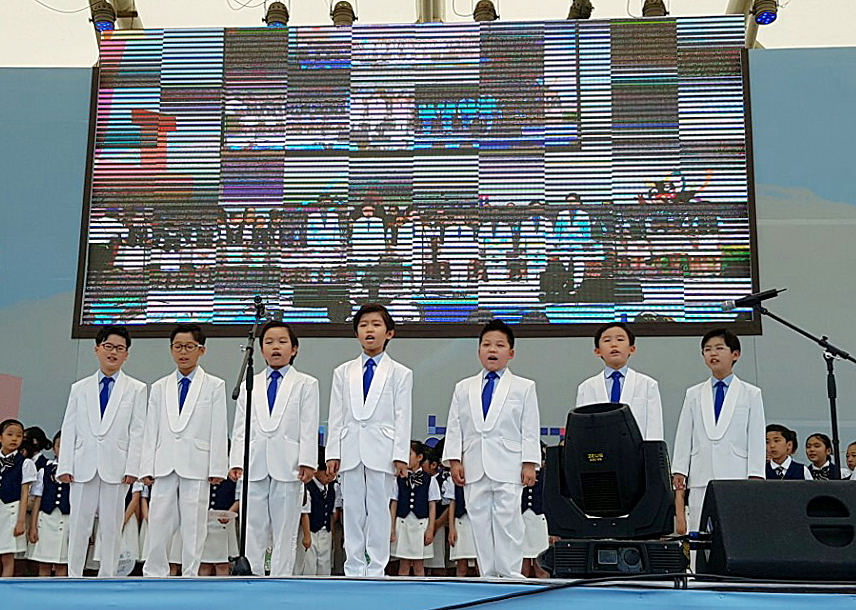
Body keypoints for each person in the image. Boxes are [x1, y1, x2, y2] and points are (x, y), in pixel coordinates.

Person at [442, 319, 541, 578]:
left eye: (499, 345)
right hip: (474, 463)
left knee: (508, 521)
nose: (492, 350)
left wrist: (529, 463)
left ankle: (509, 573)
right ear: (478, 351)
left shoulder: (524, 387)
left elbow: (530, 427)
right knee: (480, 522)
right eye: (486, 345)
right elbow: (455, 425)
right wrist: (454, 460)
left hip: (509, 463)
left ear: (511, 352)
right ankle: (488, 574)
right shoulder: (463, 387)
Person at [326, 303, 413, 577]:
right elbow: (336, 414)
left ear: (389, 333)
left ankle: (376, 567)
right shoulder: (343, 371)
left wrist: (400, 455)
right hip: (350, 447)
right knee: (352, 510)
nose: (369, 330)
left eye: (376, 324)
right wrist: (332, 452)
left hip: (382, 449)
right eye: (363, 325)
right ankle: (353, 567)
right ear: (357, 334)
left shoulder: (400, 372)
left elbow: (403, 415)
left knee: (378, 509)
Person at [229, 320, 319, 576]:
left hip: (289, 464)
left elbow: (308, 424)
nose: (275, 347)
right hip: (254, 463)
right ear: (260, 349)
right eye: (268, 342)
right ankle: (253, 577)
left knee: (285, 530)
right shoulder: (251, 383)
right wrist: (236, 460)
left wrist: (308, 461)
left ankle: (281, 578)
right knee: (253, 527)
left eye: (282, 342)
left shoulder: (305, 383)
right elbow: (240, 425)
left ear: (294, 348)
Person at [58, 325, 147, 578]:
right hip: (82, 464)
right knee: (78, 526)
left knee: (111, 526)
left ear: (126, 354)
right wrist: (65, 466)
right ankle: (73, 575)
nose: (113, 352)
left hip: (116, 468)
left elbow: (138, 431)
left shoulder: (137, 389)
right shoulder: (80, 387)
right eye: (108, 346)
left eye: (120, 348)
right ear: (97, 349)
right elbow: (70, 425)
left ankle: (107, 576)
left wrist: (134, 469)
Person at [141, 323, 228, 577]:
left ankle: (191, 572)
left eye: (189, 347)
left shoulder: (214, 385)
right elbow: (151, 429)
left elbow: (218, 427)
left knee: (194, 523)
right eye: (178, 347)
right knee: (158, 520)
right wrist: (146, 466)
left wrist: (217, 467)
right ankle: (155, 570)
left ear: (202, 350)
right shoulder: (159, 387)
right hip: (164, 461)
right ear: (171, 350)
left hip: (197, 463)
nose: (183, 352)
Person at [672, 329, 766, 535]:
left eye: (719, 348)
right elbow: (684, 433)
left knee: (736, 530)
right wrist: (680, 469)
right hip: (701, 474)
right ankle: (699, 568)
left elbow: (757, 436)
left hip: (737, 473)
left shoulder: (751, 393)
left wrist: (756, 474)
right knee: (699, 530)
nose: (713, 353)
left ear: (735, 354)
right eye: (707, 350)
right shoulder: (694, 393)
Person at [575, 322, 664, 440]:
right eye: (607, 340)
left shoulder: (648, 385)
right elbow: (581, 429)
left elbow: (654, 429)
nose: (614, 344)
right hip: (598, 451)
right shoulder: (586, 388)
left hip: (636, 454)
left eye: (620, 339)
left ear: (632, 349)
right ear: (597, 351)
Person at [390, 440, 440, 576]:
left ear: (419, 457)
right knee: (403, 564)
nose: (406, 457)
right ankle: (401, 594)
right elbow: (394, 504)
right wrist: (392, 528)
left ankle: (420, 593)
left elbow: (432, 506)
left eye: (409, 454)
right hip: (403, 522)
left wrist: (431, 529)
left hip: (421, 524)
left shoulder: (430, 480)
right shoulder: (398, 479)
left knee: (419, 565)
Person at [27, 431, 70, 576]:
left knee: (62, 564)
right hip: (45, 520)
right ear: (54, 448)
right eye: (59, 445)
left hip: (66, 520)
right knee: (44, 564)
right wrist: (33, 527)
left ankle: (61, 596)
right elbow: (38, 499)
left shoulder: (78, 472)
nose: (62, 449)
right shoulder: (44, 470)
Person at [0, 419, 38, 577]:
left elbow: (25, 493)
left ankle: (4, 589)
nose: (14, 439)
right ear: (0, 437)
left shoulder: (25, 463)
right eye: (9, 435)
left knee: (7, 555)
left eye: (19, 436)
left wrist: (21, 521)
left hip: (11, 511)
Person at [299, 446, 339, 576]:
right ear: (316, 471)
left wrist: (331, 532)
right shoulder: (308, 487)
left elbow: (332, 513)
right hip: (311, 531)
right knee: (309, 566)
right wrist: (307, 536)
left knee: (324, 566)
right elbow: (304, 513)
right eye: (327, 474)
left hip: (325, 532)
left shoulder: (332, 488)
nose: (330, 477)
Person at [199, 477, 239, 576]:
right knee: (204, 564)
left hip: (226, 522)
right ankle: (201, 590)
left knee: (223, 564)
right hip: (204, 521)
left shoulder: (232, 475)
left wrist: (230, 513)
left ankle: (224, 591)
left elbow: (240, 497)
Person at [521, 444, 549, 578]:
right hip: (522, 519)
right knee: (523, 568)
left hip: (540, 520)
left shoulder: (548, 475)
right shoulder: (519, 474)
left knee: (541, 567)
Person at [445, 478, 476, 577]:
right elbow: (452, 503)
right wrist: (451, 528)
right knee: (461, 564)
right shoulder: (452, 478)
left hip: (478, 521)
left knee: (482, 563)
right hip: (461, 520)